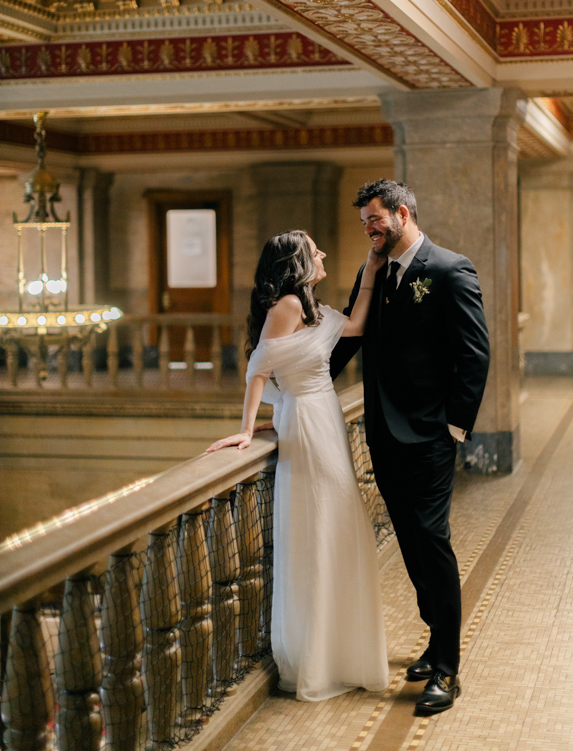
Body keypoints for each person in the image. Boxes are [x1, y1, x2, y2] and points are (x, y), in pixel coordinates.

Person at [207, 230, 389, 702]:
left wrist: (369, 272)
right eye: (314, 250)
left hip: (321, 415)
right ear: (297, 261)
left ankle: (342, 651)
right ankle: (317, 657)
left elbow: (356, 327)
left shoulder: (310, 308)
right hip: (306, 423)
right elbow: (258, 369)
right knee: (318, 528)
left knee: (340, 523)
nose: (323, 253)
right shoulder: (286, 304)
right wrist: (248, 429)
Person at [330, 179, 490, 716]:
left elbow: (474, 355)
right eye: (364, 223)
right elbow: (349, 340)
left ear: (402, 214)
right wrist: (295, 396)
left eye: (375, 220)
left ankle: (447, 666)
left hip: (428, 437)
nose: (369, 229)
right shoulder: (372, 272)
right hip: (381, 432)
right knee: (409, 541)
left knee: (431, 540)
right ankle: (432, 639)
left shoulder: (449, 270)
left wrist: (454, 429)